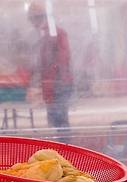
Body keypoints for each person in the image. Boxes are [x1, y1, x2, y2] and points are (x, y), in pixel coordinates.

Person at [28, 1, 73, 131]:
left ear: (39, 18)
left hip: (59, 83)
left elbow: (63, 59)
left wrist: (52, 76)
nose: (32, 24)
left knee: (60, 119)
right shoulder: (43, 34)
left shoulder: (56, 33)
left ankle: (64, 147)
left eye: (32, 19)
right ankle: (60, 145)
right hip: (52, 84)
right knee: (55, 118)